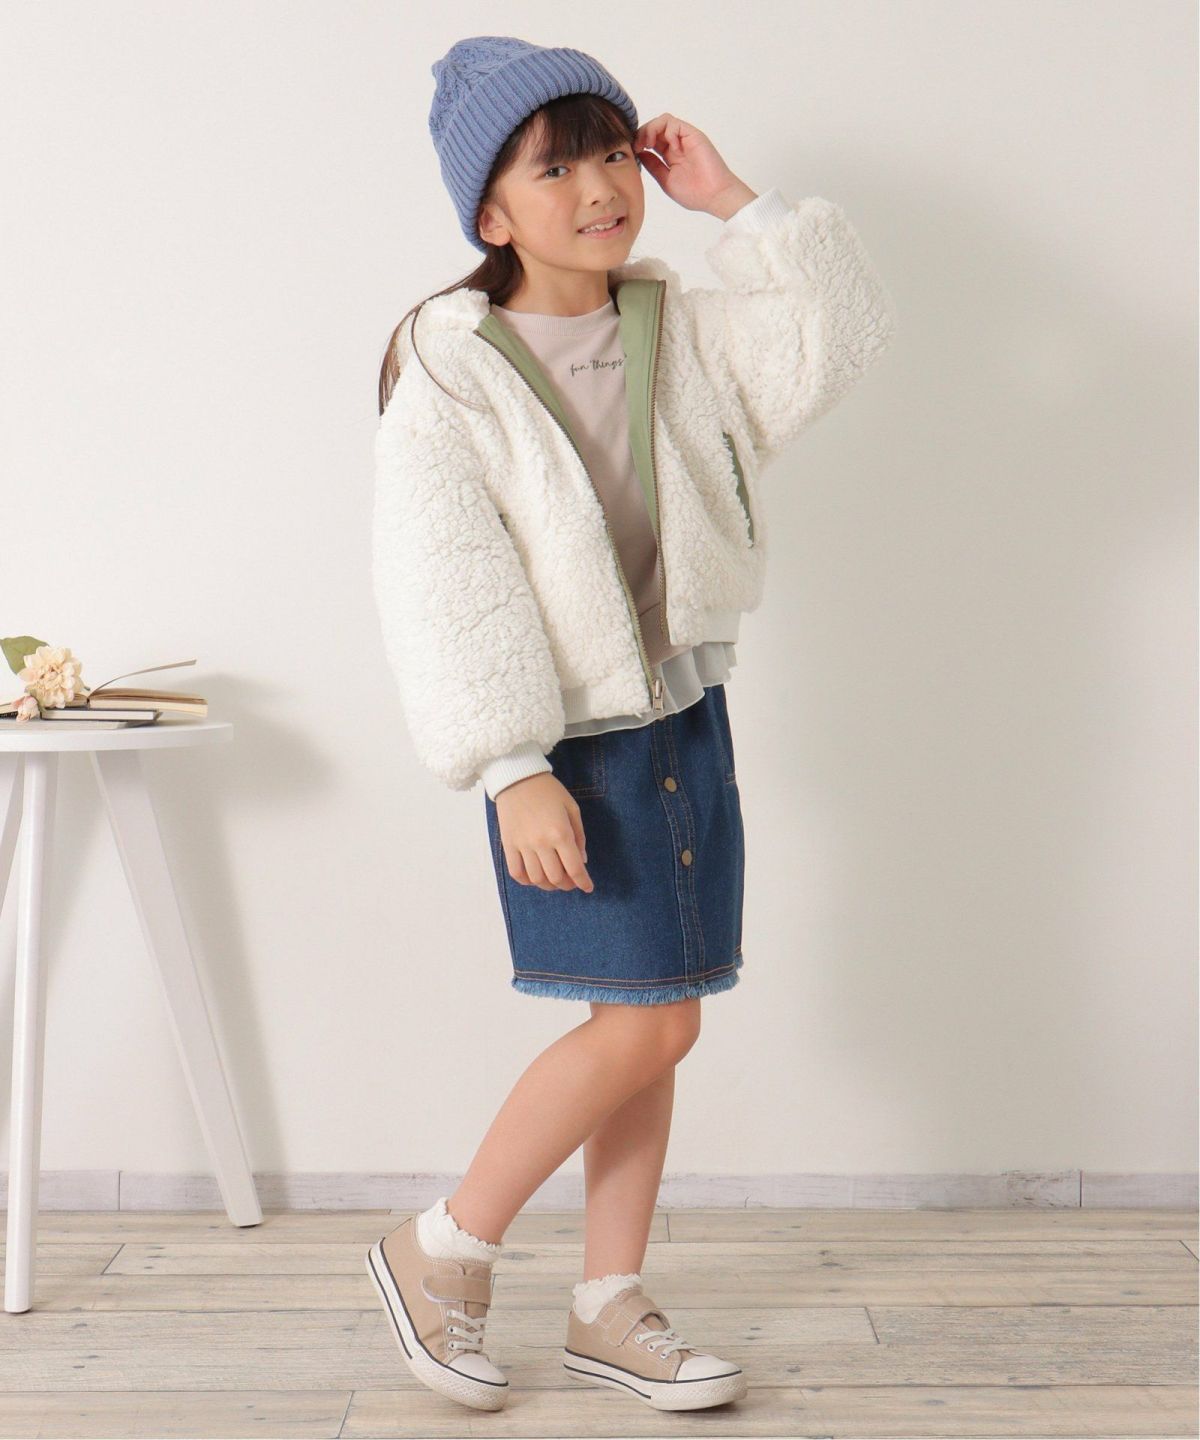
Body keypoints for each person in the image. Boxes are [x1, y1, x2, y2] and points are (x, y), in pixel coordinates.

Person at [365, 35, 896, 1414]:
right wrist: (510, 768)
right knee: (646, 1029)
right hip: (568, 748)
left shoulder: (678, 327)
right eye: (557, 169)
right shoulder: (452, 371)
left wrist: (739, 207)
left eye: (612, 154)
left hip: (683, 714)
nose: (601, 187)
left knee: (657, 1020)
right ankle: (444, 1247)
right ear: (490, 214)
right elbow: (445, 581)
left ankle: (609, 1302)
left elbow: (837, 340)